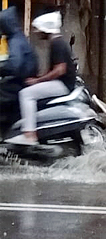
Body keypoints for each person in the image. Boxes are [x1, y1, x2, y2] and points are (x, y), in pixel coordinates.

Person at [20, 11, 77, 144]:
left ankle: (29, 134)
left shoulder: (57, 44)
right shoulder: (57, 42)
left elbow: (59, 70)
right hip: (63, 83)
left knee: (26, 94)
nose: (37, 32)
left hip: (62, 85)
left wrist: (37, 80)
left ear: (46, 29)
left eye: (39, 29)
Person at [0, 7, 38, 136]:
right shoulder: (18, 37)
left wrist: (1, 68)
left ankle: (5, 132)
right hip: (23, 79)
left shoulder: (15, 40)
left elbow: (14, 65)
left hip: (21, 81)